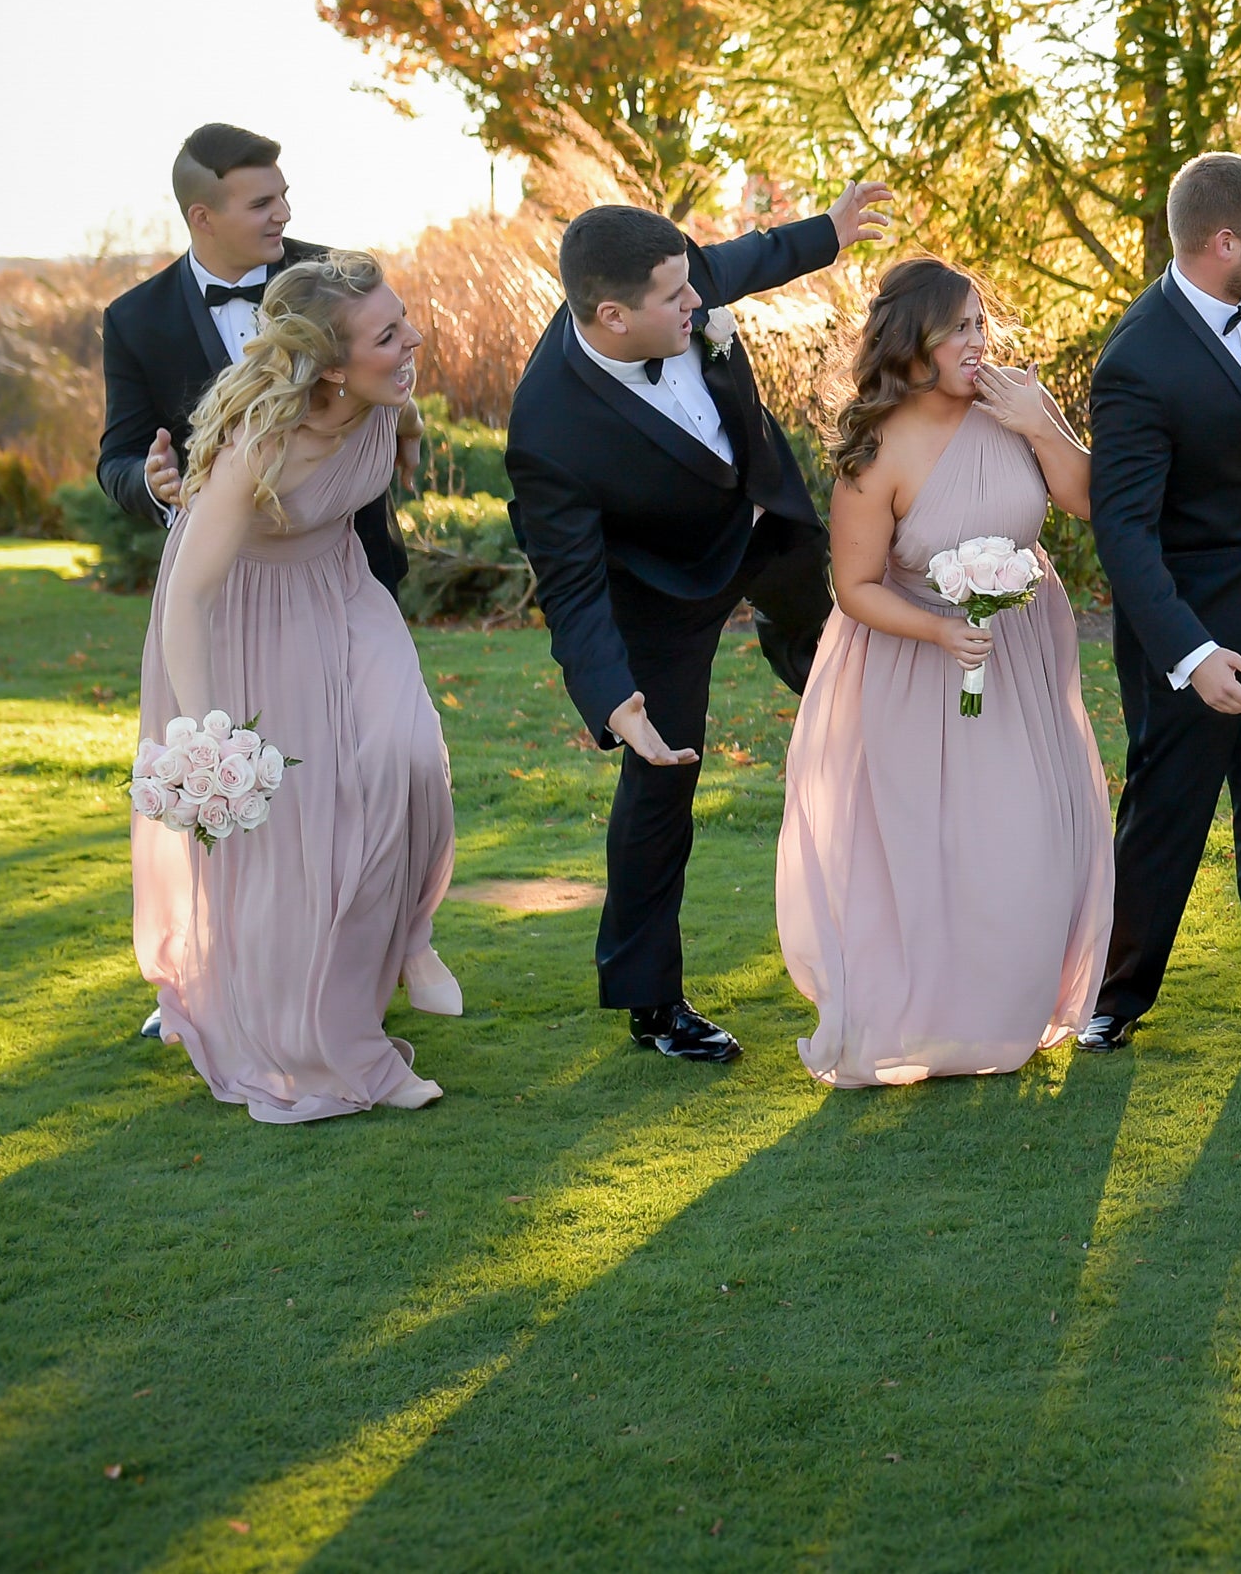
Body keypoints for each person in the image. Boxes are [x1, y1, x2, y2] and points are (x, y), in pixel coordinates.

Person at [503, 181, 893, 1064]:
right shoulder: (547, 429)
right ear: (611, 316)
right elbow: (568, 584)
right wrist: (615, 702)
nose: (698, 302)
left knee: (859, 680)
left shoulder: (676, 282)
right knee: (661, 774)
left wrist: (826, 232)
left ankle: (917, 864)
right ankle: (652, 1001)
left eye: (693, 286)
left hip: (765, 533)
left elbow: (746, 259)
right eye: (677, 299)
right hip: (660, 591)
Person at [773, 259, 1115, 1088]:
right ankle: (923, 1017)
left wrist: (1044, 421)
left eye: (981, 322)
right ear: (912, 341)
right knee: (936, 844)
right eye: (959, 326)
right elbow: (852, 587)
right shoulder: (875, 446)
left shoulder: (1008, 406)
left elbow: (1090, 498)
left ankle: (1004, 1014)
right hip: (917, 664)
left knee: (1028, 834)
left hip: (1024, 653)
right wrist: (939, 627)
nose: (978, 340)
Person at [133, 253, 456, 1122]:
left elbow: (394, 445)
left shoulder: (385, 400)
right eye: (388, 334)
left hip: (342, 593)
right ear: (330, 365)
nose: (412, 337)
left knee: (408, 758)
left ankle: (403, 938)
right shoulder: (261, 443)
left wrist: (408, 435)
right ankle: (329, 1032)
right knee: (291, 830)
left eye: (403, 319)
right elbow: (192, 593)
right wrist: (207, 735)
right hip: (243, 616)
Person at [1079, 156, 1241, 1052]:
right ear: (1226, 242)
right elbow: (1124, 529)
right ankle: (1115, 997)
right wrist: (1191, 653)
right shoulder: (1137, 359)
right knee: (1164, 820)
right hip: (1193, 642)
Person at [99, 123, 407, 588]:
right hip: (229, 582)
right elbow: (117, 457)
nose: (284, 213)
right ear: (203, 218)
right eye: (262, 204)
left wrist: (411, 422)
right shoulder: (135, 319)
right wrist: (150, 481)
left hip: (356, 563)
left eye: (282, 196)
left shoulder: (338, 278)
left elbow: (398, 359)